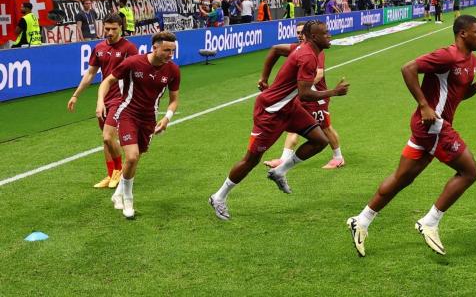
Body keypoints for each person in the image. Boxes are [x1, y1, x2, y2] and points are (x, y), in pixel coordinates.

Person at [346, 15, 476, 257]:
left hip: (431, 127)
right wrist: (423, 104)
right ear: (463, 34)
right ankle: (430, 222)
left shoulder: (472, 61)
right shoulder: (447, 55)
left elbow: (457, 96)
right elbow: (408, 68)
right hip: (433, 127)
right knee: (469, 171)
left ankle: (361, 221)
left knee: (403, 178)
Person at [209, 21, 349, 221]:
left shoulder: (304, 48)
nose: (330, 36)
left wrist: (264, 78)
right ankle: (218, 196)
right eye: (326, 34)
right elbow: (305, 94)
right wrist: (334, 92)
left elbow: (274, 50)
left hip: (289, 108)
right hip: (270, 112)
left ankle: (280, 171)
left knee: (320, 141)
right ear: (314, 37)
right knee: (251, 160)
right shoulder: (307, 55)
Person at [98, 32, 181, 219]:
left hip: (149, 119)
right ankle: (128, 199)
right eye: (167, 50)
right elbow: (107, 81)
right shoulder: (133, 63)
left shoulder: (173, 71)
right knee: (133, 156)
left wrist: (167, 118)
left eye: (173, 51)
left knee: (134, 159)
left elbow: (174, 100)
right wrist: (100, 102)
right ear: (155, 47)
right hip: (127, 113)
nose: (170, 54)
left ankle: (118, 193)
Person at [259, 22, 346, 170]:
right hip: (303, 95)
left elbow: (319, 74)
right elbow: (275, 50)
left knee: (325, 127)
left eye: (302, 33)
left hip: (317, 96)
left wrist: (302, 85)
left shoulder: (317, 51)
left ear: (310, 35)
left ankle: (338, 157)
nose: (300, 35)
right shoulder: (298, 49)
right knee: (293, 126)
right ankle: (284, 159)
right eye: (297, 33)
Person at [68, 13, 139, 189]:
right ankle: (110, 175)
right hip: (104, 98)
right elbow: (90, 73)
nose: (109, 32)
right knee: (105, 139)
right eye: (107, 29)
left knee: (108, 137)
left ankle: (119, 171)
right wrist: (76, 95)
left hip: (121, 99)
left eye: (114, 29)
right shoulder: (99, 48)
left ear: (121, 28)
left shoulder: (129, 48)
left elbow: (137, 73)